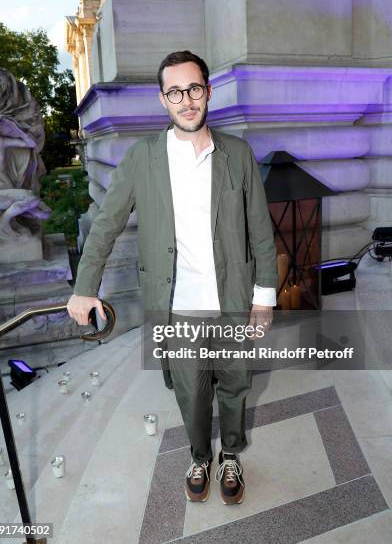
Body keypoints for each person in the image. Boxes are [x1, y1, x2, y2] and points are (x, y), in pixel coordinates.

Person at [67, 50, 278, 505]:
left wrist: (264, 299)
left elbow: (261, 230)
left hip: (233, 300)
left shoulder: (237, 154)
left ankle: (232, 454)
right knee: (191, 391)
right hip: (176, 304)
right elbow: (106, 223)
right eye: (175, 92)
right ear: (162, 99)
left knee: (236, 384)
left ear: (208, 91)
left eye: (194, 89)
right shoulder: (142, 158)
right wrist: (86, 287)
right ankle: (200, 455)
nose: (186, 100)